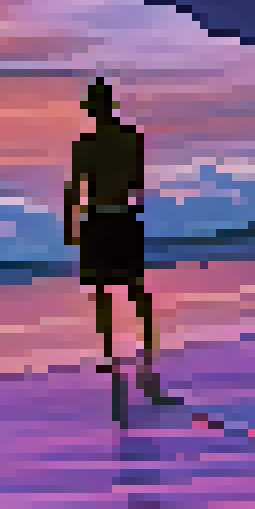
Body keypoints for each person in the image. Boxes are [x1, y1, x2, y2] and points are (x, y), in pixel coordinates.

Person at [65, 78, 156, 370]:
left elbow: (74, 189)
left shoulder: (85, 145)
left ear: (93, 109)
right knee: (133, 285)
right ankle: (146, 345)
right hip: (123, 216)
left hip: (99, 219)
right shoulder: (130, 139)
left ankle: (111, 352)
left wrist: (70, 226)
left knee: (103, 289)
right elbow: (137, 183)